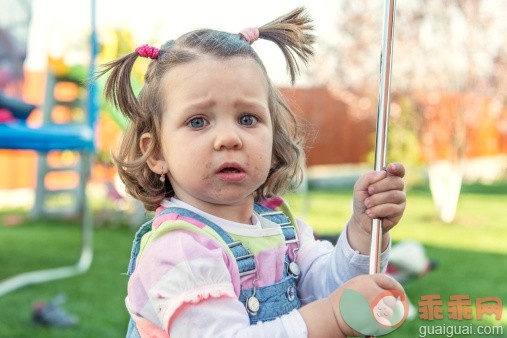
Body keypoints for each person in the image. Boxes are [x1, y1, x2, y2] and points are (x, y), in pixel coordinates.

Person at [98, 7, 407, 338]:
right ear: (156, 151)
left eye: (247, 119)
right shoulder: (180, 250)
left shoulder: (280, 227)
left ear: (273, 137)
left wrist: (362, 231)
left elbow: (331, 288)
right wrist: (333, 317)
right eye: (198, 121)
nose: (229, 138)